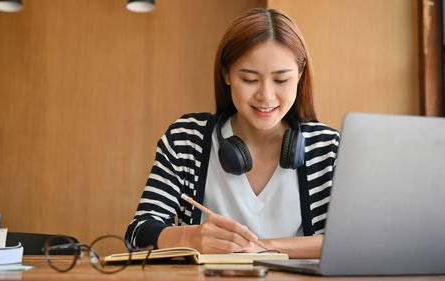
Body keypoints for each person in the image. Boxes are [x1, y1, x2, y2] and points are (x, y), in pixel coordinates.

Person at [125, 8, 339, 258]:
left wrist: (257, 248)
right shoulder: (187, 139)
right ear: (226, 73)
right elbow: (138, 234)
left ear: (300, 75)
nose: (266, 96)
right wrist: (191, 238)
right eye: (249, 79)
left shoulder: (326, 146)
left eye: (281, 80)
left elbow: (346, 243)